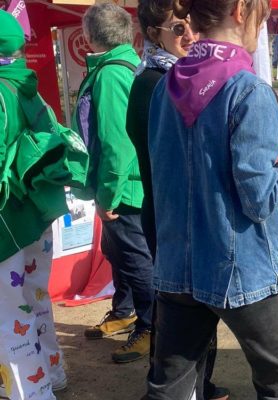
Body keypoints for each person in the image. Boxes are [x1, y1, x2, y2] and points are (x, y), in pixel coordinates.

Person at [143, 0, 278, 397]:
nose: (259, 29)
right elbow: (259, 199)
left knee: (170, 388)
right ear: (240, 11)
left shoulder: (165, 86)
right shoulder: (249, 90)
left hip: (178, 264)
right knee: (277, 385)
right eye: (261, 19)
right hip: (243, 268)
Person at [125, 1, 228, 398]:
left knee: (192, 308)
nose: (190, 34)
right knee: (179, 313)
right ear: (154, 34)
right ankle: (177, 388)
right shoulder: (156, 82)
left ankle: (198, 383)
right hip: (172, 216)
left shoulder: (175, 76)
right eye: (178, 27)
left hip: (179, 213)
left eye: (192, 23)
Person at [0, 10, 86, 398]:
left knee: (8, 313)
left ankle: (32, 392)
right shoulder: (28, 87)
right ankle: (51, 373)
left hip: (7, 224)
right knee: (35, 299)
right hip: (39, 214)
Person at [71, 3, 152, 364]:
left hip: (126, 189)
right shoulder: (125, 66)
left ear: (89, 36)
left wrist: (108, 196)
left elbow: (117, 143)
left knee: (135, 258)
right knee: (117, 252)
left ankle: (151, 326)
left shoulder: (111, 74)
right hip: (128, 184)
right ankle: (125, 311)